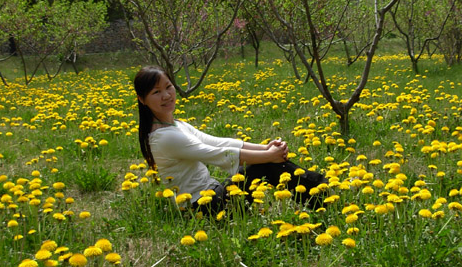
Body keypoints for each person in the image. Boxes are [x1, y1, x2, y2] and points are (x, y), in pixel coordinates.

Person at [133, 65, 325, 215]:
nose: (166, 95)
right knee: (266, 165)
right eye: (156, 92)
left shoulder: (176, 125)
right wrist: (268, 156)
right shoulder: (165, 138)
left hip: (213, 196)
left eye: (168, 87)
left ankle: (320, 194)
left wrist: (265, 148)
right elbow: (218, 154)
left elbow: (217, 142)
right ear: (143, 99)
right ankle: (322, 198)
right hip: (204, 209)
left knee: (266, 162)